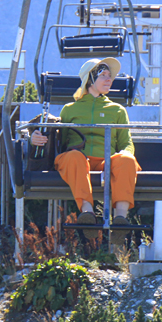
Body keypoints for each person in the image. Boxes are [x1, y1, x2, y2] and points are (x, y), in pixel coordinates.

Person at [30, 57, 140, 238]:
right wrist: (35, 138)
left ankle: (120, 217)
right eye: (103, 75)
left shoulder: (118, 111)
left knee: (127, 159)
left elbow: (126, 143)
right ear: (90, 79)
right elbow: (59, 142)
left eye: (110, 76)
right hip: (78, 162)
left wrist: (124, 155)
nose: (109, 79)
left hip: (106, 163)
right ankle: (87, 213)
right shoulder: (70, 109)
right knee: (74, 156)